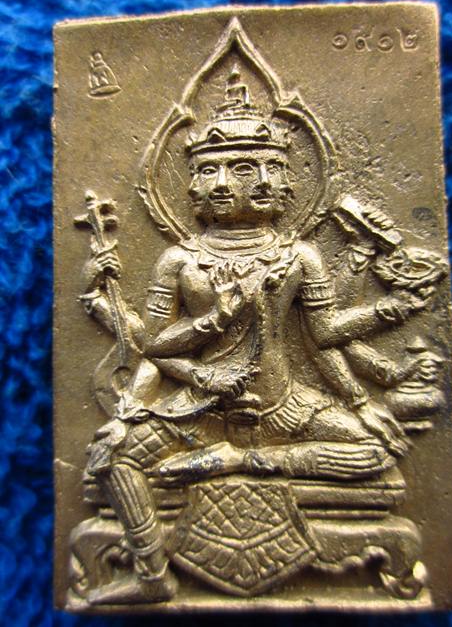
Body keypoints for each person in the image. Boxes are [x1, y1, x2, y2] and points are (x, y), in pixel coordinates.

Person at [80, 75, 431, 604]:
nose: (226, 184)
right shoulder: (178, 260)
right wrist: (133, 409)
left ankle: (242, 460)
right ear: (191, 185)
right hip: (196, 413)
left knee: (375, 449)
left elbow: (324, 337)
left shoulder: (298, 256)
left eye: (247, 168)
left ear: (281, 180)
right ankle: (152, 574)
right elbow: (154, 348)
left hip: (284, 408)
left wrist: (387, 321)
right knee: (109, 457)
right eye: (210, 170)